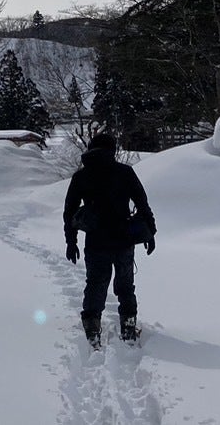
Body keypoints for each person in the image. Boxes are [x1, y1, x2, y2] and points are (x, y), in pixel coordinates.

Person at [63, 130, 156, 347]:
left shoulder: (81, 176)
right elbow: (142, 204)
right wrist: (150, 232)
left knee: (95, 284)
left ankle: (92, 327)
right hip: (123, 239)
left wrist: (71, 241)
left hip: (96, 241)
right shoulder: (125, 172)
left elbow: (70, 212)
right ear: (112, 150)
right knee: (125, 285)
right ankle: (129, 327)